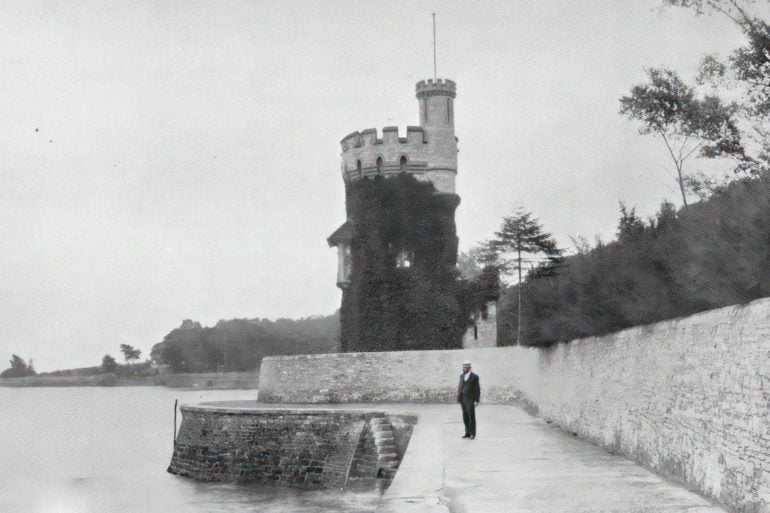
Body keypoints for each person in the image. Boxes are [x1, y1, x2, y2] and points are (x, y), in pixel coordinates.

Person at [457, 361, 480, 439]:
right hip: (462, 399)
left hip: (470, 399)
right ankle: (467, 433)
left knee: (471, 417)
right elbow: (460, 387)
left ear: (470, 368)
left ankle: (472, 434)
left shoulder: (474, 377)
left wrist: (476, 400)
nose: (464, 368)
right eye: (463, 367)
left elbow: (477, 389)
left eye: (466, 367)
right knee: (465, 417)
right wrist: (459, 397)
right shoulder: (461, 376)